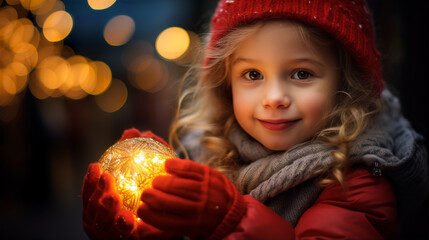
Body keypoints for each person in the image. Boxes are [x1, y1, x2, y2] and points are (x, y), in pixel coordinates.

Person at [82, 0, 428, 239]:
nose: (274, 97)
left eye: (302, 73)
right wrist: (156, 227)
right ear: (225, 83)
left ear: (345, 83)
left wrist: (231, 219)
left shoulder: (358, 177)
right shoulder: (205, 154)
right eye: (252, 74)